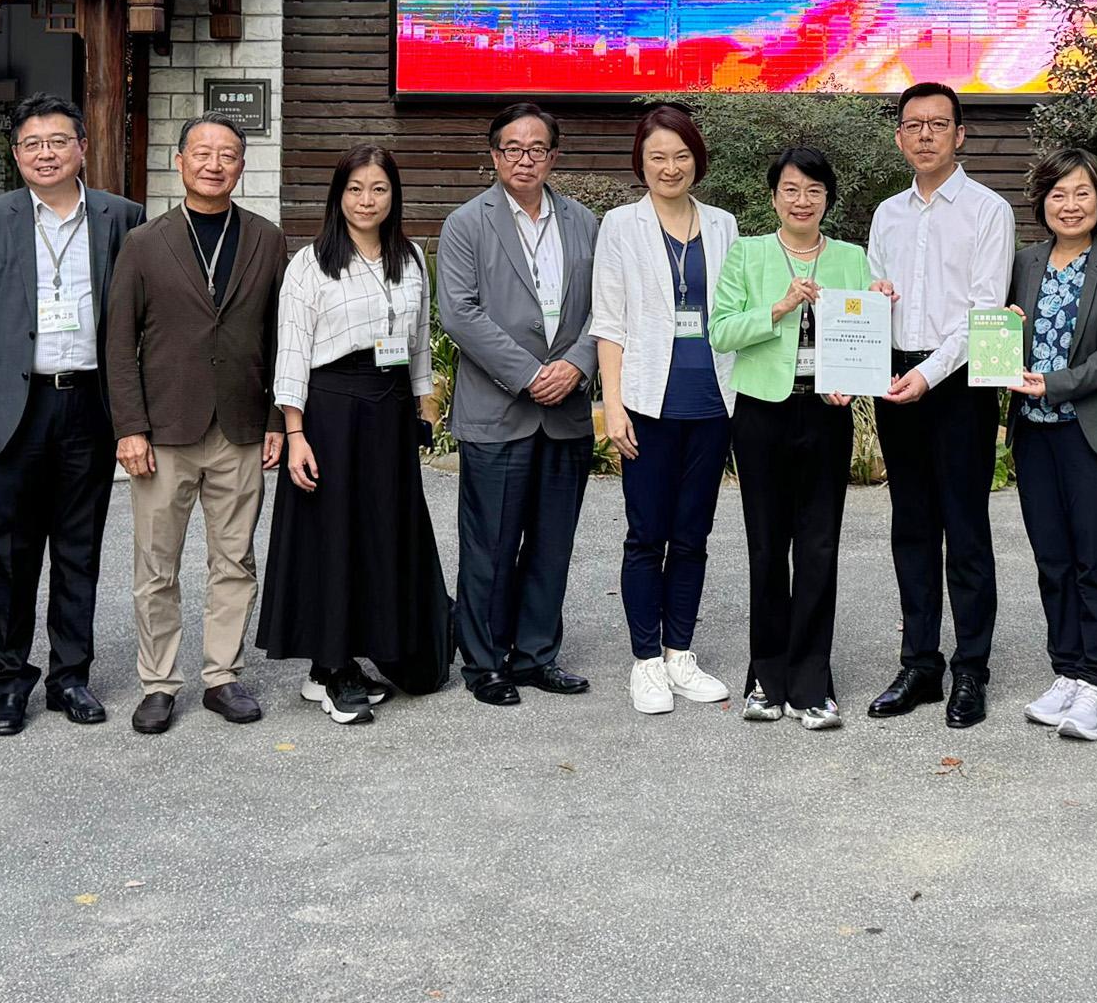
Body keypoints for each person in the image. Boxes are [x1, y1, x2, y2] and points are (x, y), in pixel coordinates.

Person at [0, 95, 144, 737]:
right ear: (16, 154)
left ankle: (71, 678)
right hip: (15, 405)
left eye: (58, 141)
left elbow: (136, 317)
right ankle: (9, 683)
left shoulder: (122, 216)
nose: (45, 153)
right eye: (31, 144)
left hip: (89, 401)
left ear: (82, 147)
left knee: (80, 549)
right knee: (12, 551)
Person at [103, 115, 283, 735]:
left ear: (241, 166)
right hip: (162, 428)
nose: (214, 164)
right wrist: (129, 426)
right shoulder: (144, 243)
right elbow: (119, 341)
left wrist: (277, 420)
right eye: (202, 153)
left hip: (241, 425)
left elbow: (277, 336)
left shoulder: (266, 238)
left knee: (235, 559)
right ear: (178, 161)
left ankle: (221, 676)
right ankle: (157, 682)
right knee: (157, 565)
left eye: (227, 155)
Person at [262, 144, 453, 723]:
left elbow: (418, 342)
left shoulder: (411, 257)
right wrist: (294, 431)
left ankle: (350, 657)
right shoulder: (311, 263)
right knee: (333, 535)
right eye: (355, 189)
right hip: (333, 409)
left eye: (378, 189)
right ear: (337, 195)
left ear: (393, 196)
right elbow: (291, 352)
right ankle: (330, 665)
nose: (366, 200)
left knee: (382, 532)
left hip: (391, 409)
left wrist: (424, 405)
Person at [438, 101, 602, 705]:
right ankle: (484, 662)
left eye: (537, 149)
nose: (525, 158)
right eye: (513, 148)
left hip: (565, 411)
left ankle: (536, 655)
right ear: (494, 155)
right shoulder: (466, 224)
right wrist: (531, 374)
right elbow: (460, 312)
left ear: (554, 157)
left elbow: (604, 310)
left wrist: (577, 364)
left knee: (552, 543)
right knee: (490, 544)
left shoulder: (585, 222)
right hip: (499, 409)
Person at [863, 82, 1015, 728]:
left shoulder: (988, 209)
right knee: (912, 527)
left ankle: (971, 670)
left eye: (938, 124)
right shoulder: (886, 214)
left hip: (959, 381)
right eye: (913, 124)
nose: (925, 134)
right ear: (899, 137)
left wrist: (927, 374)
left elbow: (984, 311)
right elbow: (871, 299)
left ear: (959, 134)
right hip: (899, 378)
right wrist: (867, 347)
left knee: (966, 529)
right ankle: (920, 663)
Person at [712, 146, 870, 728]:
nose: (802, 201)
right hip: (762, 414)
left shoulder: (851, 257)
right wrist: (778, 308)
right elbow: (721, 331)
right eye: (791, 190)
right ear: (773, 196)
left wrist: (854, 378)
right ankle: (765, 676)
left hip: (826, 416)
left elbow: (865, 329)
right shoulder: (748, 254)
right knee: (765, 545)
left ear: (828, 198)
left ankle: (813, 681)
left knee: (820, 547)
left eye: (814, 191)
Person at [594, 104, 742, 716]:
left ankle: (681, 653)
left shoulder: (726, 226)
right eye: (657, 156)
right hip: (648, 402)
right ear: (642, 162)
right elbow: (608, 322)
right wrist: (613, 405)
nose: (669, 166)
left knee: (693, 535)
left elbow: (742, 308)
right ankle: (646, 661)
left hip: (713, 400)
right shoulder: (621, 226)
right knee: (645, 535)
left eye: (681, 155)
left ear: (696, 161)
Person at [1003, 149, 1097, 742]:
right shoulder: (1023, 263)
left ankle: (1096, 681)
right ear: (1042, 203)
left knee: (1096, 560)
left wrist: (1055, 382)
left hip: (1093, 432)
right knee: (1052, 560)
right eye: (1059, 194)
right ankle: (1065, 669)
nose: (1070, 205)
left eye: (1081, 193)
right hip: (1034, 433)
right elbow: (996, 329)